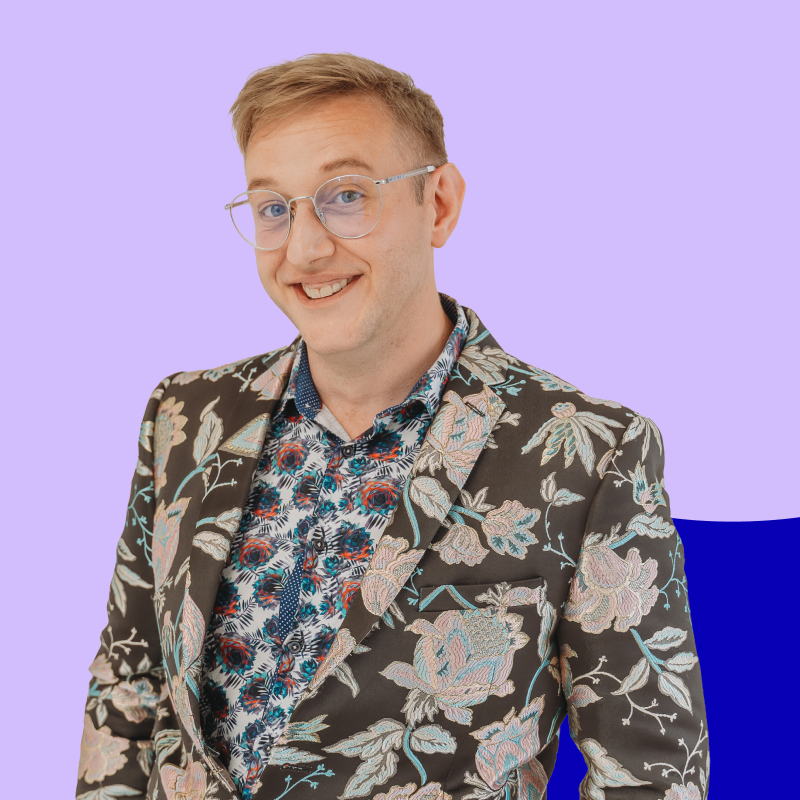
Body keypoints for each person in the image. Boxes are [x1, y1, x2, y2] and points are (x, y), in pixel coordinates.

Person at [76, 53, 708, 800]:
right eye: (273, 207)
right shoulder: (185, 417)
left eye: (345, 196)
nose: (304, 249)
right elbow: (131, 683)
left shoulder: (591, 453)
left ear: (437, 204)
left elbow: (647, 771)